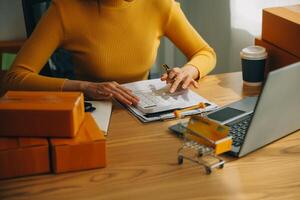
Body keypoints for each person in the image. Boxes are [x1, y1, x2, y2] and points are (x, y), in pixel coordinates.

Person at [2, 0, 216, 106]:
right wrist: (84, 87)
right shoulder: (64, 10)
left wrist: (189, 70)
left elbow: (205, 52)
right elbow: (13, 78)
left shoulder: (160, 4)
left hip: (144, 109)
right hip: (92, 113)